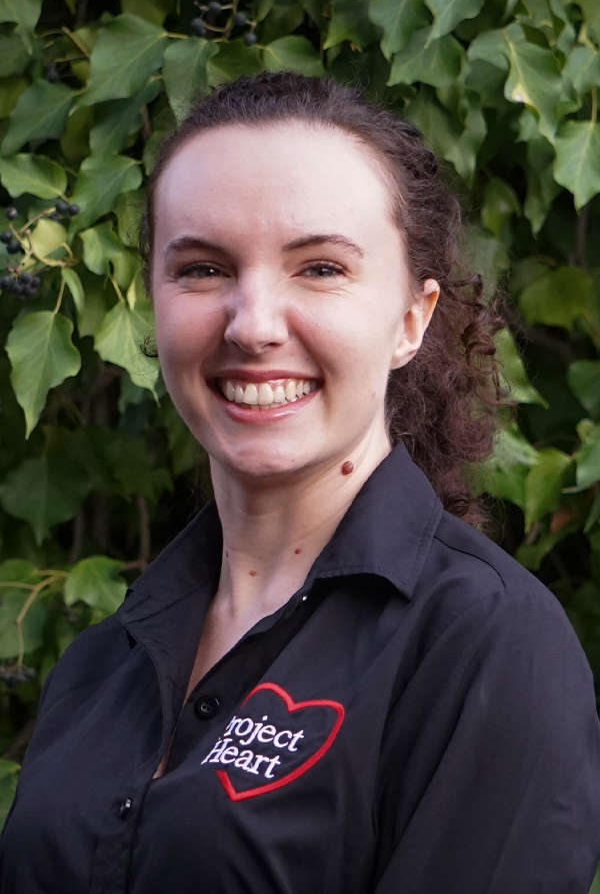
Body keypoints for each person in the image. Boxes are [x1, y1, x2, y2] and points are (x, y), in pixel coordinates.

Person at [1, 71, 599, 894]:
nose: (252, 325)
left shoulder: (485, 645)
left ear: (411, 319)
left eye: (318, 268)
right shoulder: (103, 663)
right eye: (204, 269)